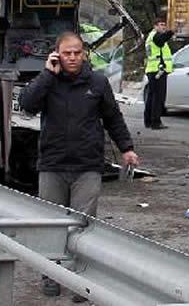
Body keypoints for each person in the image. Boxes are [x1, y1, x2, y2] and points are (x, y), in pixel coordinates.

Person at [18, 31, 140, 301]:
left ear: (83, 53)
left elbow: (113, 118)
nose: (72, 57)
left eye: (77, 52)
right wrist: (47, 75)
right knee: (51, 224)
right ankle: (50, 274)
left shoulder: (97, 82)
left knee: (82, 225)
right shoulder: (48, 81)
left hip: (87, 166)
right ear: (56, 55)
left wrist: (127, 149)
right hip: (53, 165)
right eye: (66, 53)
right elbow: (27, 104)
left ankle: (78, 280)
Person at [144, 18, 174, 129]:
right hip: (158, 71)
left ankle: (148, 121)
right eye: (161, 25)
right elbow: (161, 40)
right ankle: (155, 122)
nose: (163, 27)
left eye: (164, 25)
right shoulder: (155, 36)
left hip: (153, 70)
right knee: (158, 98)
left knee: (151, 97)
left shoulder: (151, 36)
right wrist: (171, 32)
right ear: (155, 26)